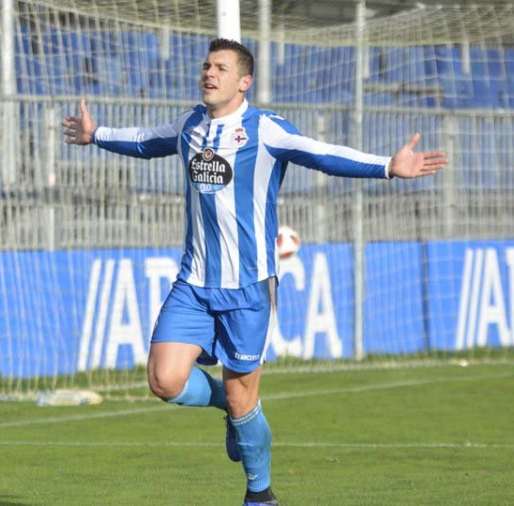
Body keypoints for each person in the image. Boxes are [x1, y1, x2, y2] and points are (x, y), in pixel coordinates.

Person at [63, 38, 448, 506]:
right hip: (195, 283)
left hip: (249, 288)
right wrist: (95, 134)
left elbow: (323, 153)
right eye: (207, 65)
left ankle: (260, 494)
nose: (209, 73)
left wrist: (387, 166)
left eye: (221, 68)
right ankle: (230, 407)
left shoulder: (265, 130)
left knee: (246, 398)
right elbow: (145, 141)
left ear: (244, 81)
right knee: (165, 381)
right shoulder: (189, 125)